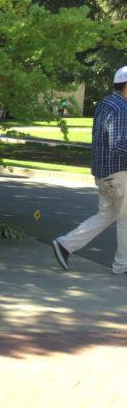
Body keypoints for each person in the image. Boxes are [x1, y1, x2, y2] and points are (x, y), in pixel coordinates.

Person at [53, 66, 127, 274]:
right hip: (120, 173)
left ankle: (65, 245)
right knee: (125, 220)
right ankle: (123, 265)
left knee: (106, 215)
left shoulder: (105, 104)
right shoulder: (122, 108)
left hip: (103, 172)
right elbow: (120, 145)